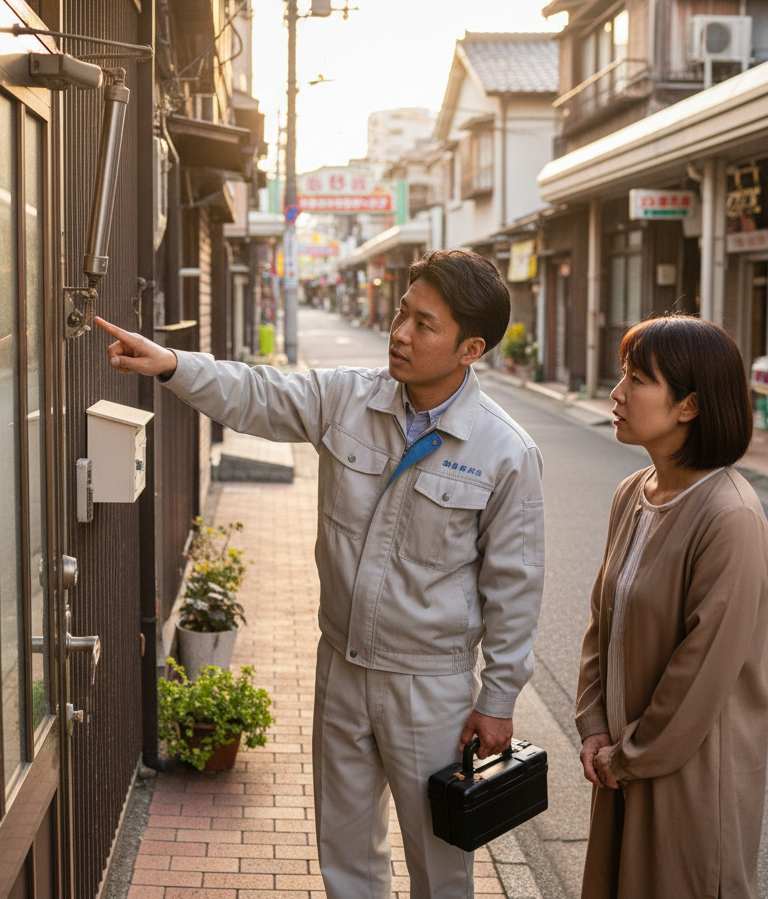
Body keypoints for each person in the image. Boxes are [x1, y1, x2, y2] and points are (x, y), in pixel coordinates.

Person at [96, 249, 546, 899]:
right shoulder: (346, 398)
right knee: (344, 857)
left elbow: (515, 589)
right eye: (401, 313)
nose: (400, 333)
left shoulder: (505, 453)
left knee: (441, 867)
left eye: (425, 324)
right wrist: (171, 365)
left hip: (432, 686)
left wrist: (497, 701)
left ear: (470, 347)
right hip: (341, 667)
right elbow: (256, 393)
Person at [576, 315, 768, 899]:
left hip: (689, 775)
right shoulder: (633, 493)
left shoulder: (730, 518)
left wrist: (627, 756)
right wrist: (592, 728)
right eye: (622, 375)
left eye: (637, 379)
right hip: (620, 760)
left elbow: (701, 673)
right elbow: (602, 621)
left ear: (688, 405)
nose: (616, 393)